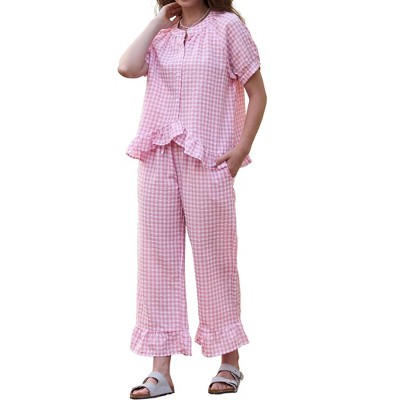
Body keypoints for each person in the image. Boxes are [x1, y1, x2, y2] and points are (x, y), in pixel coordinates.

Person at [118, 0, 267, 397]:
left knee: (216, 259)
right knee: (156, 262)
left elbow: (258, 94)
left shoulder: (227, 27)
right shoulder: (162, 32)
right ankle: (160, 371)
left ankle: (229, 361)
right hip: (157, 158)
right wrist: (157, 23)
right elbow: (127, 67)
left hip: (208, 159)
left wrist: (240, 150)